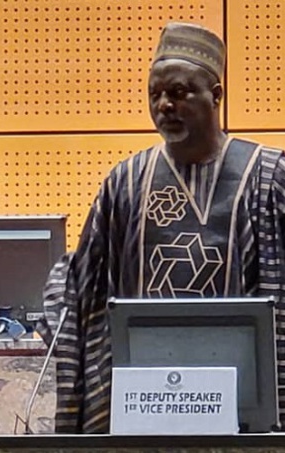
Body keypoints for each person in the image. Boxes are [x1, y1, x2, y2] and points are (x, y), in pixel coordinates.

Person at [37, 22, 285, 434]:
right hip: (149, 399)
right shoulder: (127, 181)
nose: (164, 105)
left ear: (216, 96)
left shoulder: (269, 175)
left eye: (179, 92)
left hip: (248, 397)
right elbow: (86, 287)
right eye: (155, 94)